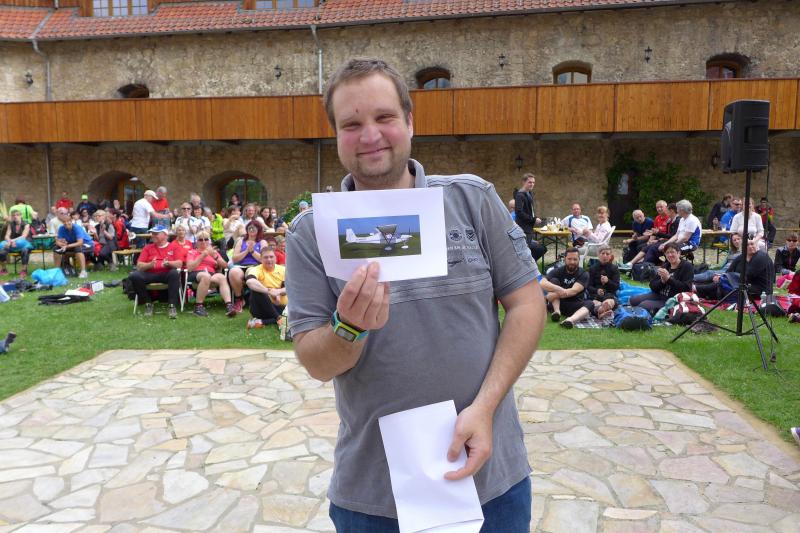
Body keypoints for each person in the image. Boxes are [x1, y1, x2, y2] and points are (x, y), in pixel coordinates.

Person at [286, 58, 545, 531]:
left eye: (384, 117)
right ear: (336, 135)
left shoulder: (470, 200)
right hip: (376, 497)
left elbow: (527, 303)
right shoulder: (311, 234)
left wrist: (485, 408)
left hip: (491, 480)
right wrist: (349, 328)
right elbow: (316, 363)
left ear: (409, 121)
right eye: (351, 124)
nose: (370, 135)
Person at [128, 225, 185, 319]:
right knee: (134, 276)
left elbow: (179, 263)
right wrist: (149, 265)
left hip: (166, 273)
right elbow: (139, 265)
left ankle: (172, 306)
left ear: (165, 235)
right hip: (150, 274)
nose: (153, 236)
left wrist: (169, 263)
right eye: (152, 233)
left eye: (156, 234)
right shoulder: (147, 248)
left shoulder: (174, 247)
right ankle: (148, 303)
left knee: (174, 273)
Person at [559, 245, 620, 327]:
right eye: (603, 253)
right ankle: (600, 311)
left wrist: (608, 281)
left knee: (609, 301)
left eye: (607, 254)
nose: (605, 256)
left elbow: (616, 286)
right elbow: (588, 286)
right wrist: (597, 291)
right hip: (595, 295)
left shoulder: (614, 269)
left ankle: (603, 309)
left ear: (610, 256)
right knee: (594, 302)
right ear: (598, 255)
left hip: (609, 294)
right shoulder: (593, 268)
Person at [695, 239, 773, 301]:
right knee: (720, 282)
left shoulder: (761, 257)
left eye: (752, 244)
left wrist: (728, 278)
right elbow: (729, 271)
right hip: (743, 284)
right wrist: (723, 277)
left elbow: (748, 276)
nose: (750, 246)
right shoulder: (741, 257)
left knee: (723, 284)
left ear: (756, 245)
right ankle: (698, 291)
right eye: (747, 245)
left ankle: (697, 289)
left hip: (759, 290)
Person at [629, 243, 693, 314]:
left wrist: (668, 279)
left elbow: (686, 288)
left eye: (672, 252)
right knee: (633, 300)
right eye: (667, 253)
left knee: (643, 306)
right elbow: (652, 285)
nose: (670, 255)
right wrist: (662, 281)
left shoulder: (686, 266)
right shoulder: (666, 266)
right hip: (659, 295)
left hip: (672, 299)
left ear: (679, 253)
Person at [185, 230, 235, 317]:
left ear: (209, 241)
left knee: (221, 277)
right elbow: (190, 268)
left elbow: (225, 266)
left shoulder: (214, 252)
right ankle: (198, 307)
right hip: (196, 273)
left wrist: (215, 256)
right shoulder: (192, 252)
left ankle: (229, 306)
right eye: (200, 240)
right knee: (206, 276)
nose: (203, 241)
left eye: (206, 239)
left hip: (211, 274)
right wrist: (203, 255)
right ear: (196, 242)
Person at [539, 247, 590, 325]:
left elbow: (573, 291)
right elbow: (542, 282)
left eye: (575, 259)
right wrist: (558, 289)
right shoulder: (558, 270)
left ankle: (570, 320)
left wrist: (552, 295)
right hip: (558, 304)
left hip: (574, 305)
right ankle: (557, 312)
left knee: (590, 304)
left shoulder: (583, 273)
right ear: (565, 259)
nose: (572, 262)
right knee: (554, 280)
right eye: (569, 259)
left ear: (579, 260)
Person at [622, 202, 680, 269]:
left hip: (666, 240)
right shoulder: (660, 218)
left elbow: (672, 236)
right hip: (662, 239)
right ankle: (632, 263)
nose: (659, 209)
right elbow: (657, 233)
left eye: (661, 207)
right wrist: (651, 239)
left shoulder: (674, 220)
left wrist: (656, 238)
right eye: (657, 207)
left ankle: (642, 266)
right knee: (637, 245)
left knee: (647, 247)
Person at [228, 221, 268, 314]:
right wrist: (247, 251)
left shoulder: (262, 242)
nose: (251, 229)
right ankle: (239, 299)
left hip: (256, 266)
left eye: (254, 228)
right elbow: (234, 259)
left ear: (259, 230)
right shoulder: (241, 241)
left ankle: (254, 300)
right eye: (250, 227)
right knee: (233, 272)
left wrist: (252, 251)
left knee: (250, 272)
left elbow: (263, 259)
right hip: (241, 265)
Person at [245, 247, 287, 329]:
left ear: (275, 258)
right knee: (256, 290)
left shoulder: (283, 270)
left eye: (271, 257)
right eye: (266, 257)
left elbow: (288, 288)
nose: (269, 259)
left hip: (280, 307)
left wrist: (278, 292)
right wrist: (268, 291)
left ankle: (260, 322)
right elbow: (250, 282)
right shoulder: (256, 269)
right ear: (261, 259)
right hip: (261, 308)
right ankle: (279, 318)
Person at [513, 173, 546, 261]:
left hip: (529, 227)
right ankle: (527, 266)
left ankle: (530, 265)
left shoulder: (529, 193)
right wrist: (533, 219)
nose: (532, 184)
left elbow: (529, 210)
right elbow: (519, 212)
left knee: (533, 250)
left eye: (533, 182)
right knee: (525, 252)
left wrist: (535, 218)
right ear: (524, 182)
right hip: (523, 228)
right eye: (529, 182)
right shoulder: (520, 195)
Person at [0, 209, 31, 277]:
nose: (15, 216)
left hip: (24, 244)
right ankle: (4, 269)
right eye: (13, 215)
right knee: (2, 251)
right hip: (12, 244)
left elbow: (23, 236)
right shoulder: (10, 224)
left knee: (25, 250)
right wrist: (9, 241)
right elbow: (7, 236)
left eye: (17, 215)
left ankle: (24, 270)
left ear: (21, 216)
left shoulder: (26, 224)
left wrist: (12, 241)